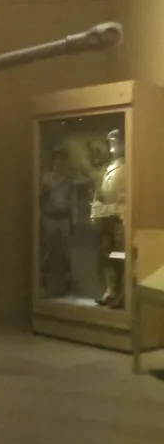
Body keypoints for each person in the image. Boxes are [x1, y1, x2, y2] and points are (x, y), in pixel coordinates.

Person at [90, 128, 126, 309]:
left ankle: (124, 293)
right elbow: (100, 193)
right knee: (108, 255)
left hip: (122, 218)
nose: (112, 146)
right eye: (110, 141)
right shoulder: (108, 168)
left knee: (121, 256)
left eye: (116, 141)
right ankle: (111, 291)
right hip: (108, 219)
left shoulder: (129, 165)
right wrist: (95, 212)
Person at [40, 147, 76, 296]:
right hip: (49, 219)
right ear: (53, 162)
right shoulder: (46, 179)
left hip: (64, 220)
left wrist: (73, 221)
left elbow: (72, 202)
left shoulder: (68, 180)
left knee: (66, 253)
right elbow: (40, 198)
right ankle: (43, 285)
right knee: (46, 251)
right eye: (57, 160)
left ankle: (67, 285)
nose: (59, 164)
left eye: (62, 160)